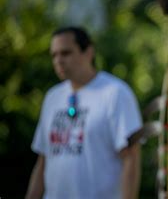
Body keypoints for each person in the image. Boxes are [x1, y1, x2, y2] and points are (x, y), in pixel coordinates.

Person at [25, 27, 143, 199]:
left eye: (65, 53)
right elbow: (43, 161)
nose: (58, 60)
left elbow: (131, 158)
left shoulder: (115, 93)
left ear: (88, 52)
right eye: (54, 55)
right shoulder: (53, 97)